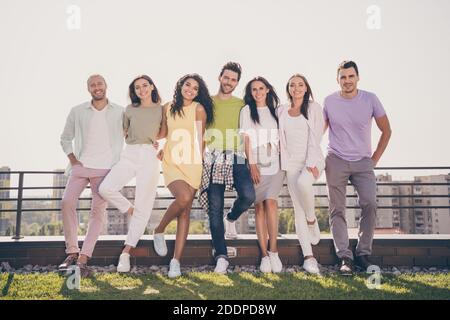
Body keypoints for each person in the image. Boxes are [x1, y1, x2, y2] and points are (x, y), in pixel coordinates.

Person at [324, 61, 392, 275]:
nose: (347, 81)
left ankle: (363, 253)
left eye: (351, 76)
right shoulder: (329, 101)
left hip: (363, 162)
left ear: (358, 78)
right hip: (335, 159)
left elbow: (387, 130)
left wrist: (374, 160)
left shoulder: (370, 99)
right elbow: (318, 132)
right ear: (338, 80)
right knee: (337, 209)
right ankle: (345, 257)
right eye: (343, 77)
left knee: (370, 203)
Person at [59, 74, 124, 277]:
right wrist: (72, 159)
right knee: (67, 202)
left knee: (97, 213)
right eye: (92, 85)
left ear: (106, 86)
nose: (97, 87)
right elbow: (65, 138)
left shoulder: (120, 111)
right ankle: (72, 251)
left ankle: (83, 258)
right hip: (81, 166)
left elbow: (133, 135)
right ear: (89, 89)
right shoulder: (78, 111)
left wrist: (152, 142)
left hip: (105, 169)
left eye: (100, 84)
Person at [98, 75, 163, 273]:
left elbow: (166, 132)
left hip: (150, 157)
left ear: (152, 86)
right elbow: (123, 133)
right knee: (105, 188)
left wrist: (161, 146)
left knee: (145, 204)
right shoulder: (130, 109)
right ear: (133, 91)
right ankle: (133, 211)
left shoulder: (162, 109)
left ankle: (125, 253)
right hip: (130, 154)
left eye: (145, 85)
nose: (141, 90)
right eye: (137, 88)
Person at [152, 74, 214, 278]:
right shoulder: (167, 107)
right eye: (188, 85)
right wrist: (149, 139)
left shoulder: (198, 109)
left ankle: (175, 261)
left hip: (193, 163)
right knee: (184, 198)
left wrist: (203, 163)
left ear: (198, 92)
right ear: (180, 85)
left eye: (195, 88)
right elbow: (163, 132)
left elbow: (200, 139)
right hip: (172, 161)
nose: (191, 90)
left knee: (185, 212)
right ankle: (159, 229)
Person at [199, 62, 256, 274]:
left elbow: (247, 135)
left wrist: (251, 162)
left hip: (237, 157)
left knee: (249, 195)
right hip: (212, 159)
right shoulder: (206, 102)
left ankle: (231, 218)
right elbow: (200, 130)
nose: (229, 82)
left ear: (237, 82)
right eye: (226, 78)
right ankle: (221, 255)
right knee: (214, 211)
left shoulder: (242, 105)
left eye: (233, 80)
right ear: (219, 77)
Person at [278, 74, 325, 275]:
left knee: (305, 184)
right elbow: (280, 140)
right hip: (291, 165)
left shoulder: (314, 108)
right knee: (297, 211)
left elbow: (317, 136)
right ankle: (309, 257)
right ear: (288, 89)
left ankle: (312, 219)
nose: (296, 88)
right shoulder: (281, 110)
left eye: (300, 85)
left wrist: (311, 163)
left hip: (313, 161)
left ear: (306, 88)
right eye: (292, 85)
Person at [240, 76, 284, 273]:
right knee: (259, 208)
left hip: (275, 162)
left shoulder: (277, 111)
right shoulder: (247, 111)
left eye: (261, 88)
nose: (257, 92)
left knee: (271, 203)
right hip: (256, 163)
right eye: (254, 89)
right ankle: (264, 255)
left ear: (267, 90)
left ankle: (274, 251)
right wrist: (252, 164)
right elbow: (246, 139)